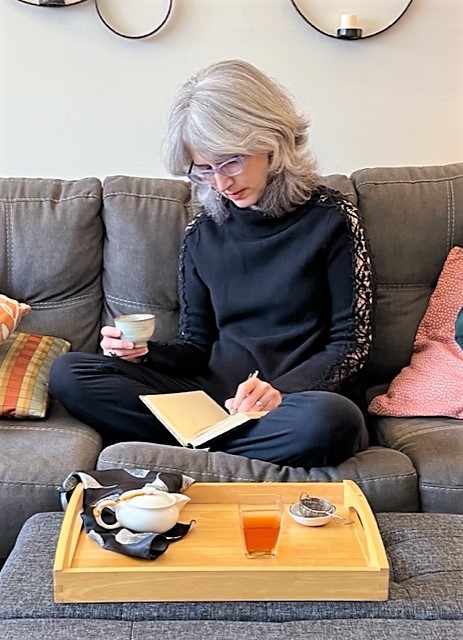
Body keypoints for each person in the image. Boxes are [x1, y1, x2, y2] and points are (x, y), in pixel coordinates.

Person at [49, 59, 374, 470]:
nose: (220, 183)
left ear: (272, 141)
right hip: (211, 398)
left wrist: (275, 392)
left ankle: (194, 448)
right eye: (204, 168)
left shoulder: (331, 217)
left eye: (230, 161)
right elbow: (196, 346)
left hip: (293, 402)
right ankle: (215, 439)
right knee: (70, 373)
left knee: (333, 421)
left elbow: (350, 346)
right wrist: (144, 354)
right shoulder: (203, 231)